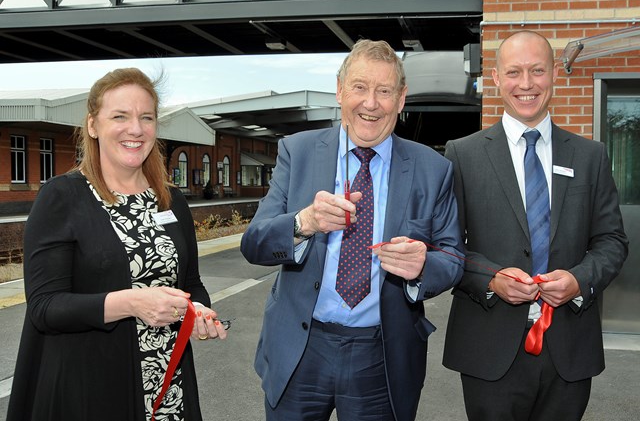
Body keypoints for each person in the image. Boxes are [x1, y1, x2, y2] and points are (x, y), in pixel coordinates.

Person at [240, 39, 464, 421]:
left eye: (384, 91)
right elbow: (254, 243)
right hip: (300, 347)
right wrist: (303, 223)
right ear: (340, 90)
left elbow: (453, 255)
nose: (371, 103)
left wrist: (423, 266)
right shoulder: (298, 151)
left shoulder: (433, 168)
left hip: (381, 355)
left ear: (402, 97)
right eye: (360, 87)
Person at [7, 68, 229, 421]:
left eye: (146, 117)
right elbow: (45, 308)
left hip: (166, 385)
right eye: (120, 116)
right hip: (90, 388)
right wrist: (132, 303)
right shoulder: (62, 197)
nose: (136, 129)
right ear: (93, 125)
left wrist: (198, 311)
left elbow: (191, 285)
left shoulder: (170, 200)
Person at [442, 30, 629, 421]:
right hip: (488, 350)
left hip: (569, 352)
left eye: (537, 71)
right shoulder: (463, 154)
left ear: (555, 75)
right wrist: (491, 278)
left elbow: (612, 241)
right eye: (513, 72)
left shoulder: (591, 156)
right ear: (495, 78)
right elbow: (445, 246)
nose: (525, 84)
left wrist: (579, 280)